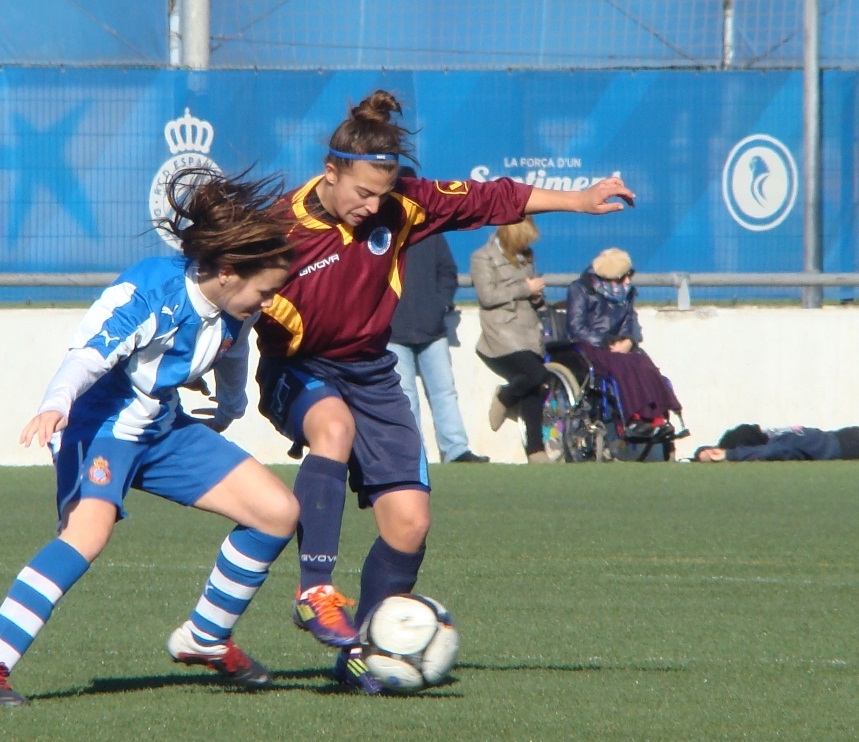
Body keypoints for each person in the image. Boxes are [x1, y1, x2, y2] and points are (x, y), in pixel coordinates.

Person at [253, 89, 636, 693]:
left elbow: (493, 197)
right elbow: (217, 290)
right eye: (362, 192)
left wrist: (579, 200)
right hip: (300, 370)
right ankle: (316, 591)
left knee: (409, 523)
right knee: (333, 426)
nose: (372, 205)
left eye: (383, 193)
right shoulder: (276, 228)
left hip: (372, 374)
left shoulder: (399, 205)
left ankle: (360, 653)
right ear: (330, 171)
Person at [0, 168, 301, 706]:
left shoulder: (235, 307)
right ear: (228, 272)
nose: (269, 302)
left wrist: (232, 406)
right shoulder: (151, 289)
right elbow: (89, 354)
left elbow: (235, 348)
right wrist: (54, 405)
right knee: (87, 534)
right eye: (265, 291)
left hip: (163, 426)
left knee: (277, 512)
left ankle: (205, 638)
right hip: (100, 426)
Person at [389, 166, 488, 465]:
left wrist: (440, 306)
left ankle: (456, 450)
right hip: (392, 333)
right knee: (406, 398)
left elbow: (447, 272)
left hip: (432, 330)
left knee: (444, 392)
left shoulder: (429, 233)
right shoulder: (381, 237)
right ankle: (413, 456)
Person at [566, 247, 685, 440]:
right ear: (610, 277)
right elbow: (576, 327)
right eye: (624, 277)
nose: (628, 281)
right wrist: (605, 342)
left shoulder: (626, 293)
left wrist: (628, 341)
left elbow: (629, 323)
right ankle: (633, 419)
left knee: (643, 363)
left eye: (630, 275)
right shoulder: (579, 289)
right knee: (623, 364)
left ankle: (657, 418)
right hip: (589, 346)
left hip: (618, 346)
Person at [471, 216, 552, 463]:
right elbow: (488, 296)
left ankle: (536, 451)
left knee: (533, 387)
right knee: (537, 375)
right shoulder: (482, 257)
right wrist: (526, 289)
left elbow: (532, 297)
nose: (526, 245)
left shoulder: (526, 257)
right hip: (501, 336)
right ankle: (505, 396)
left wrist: (537, 295)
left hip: (528, 331)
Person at [694, 423, 859, 462]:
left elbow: (773, 452)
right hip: (844, 437)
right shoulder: (771, 434)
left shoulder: (781, 442)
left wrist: (729, 455)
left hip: (847, 445)